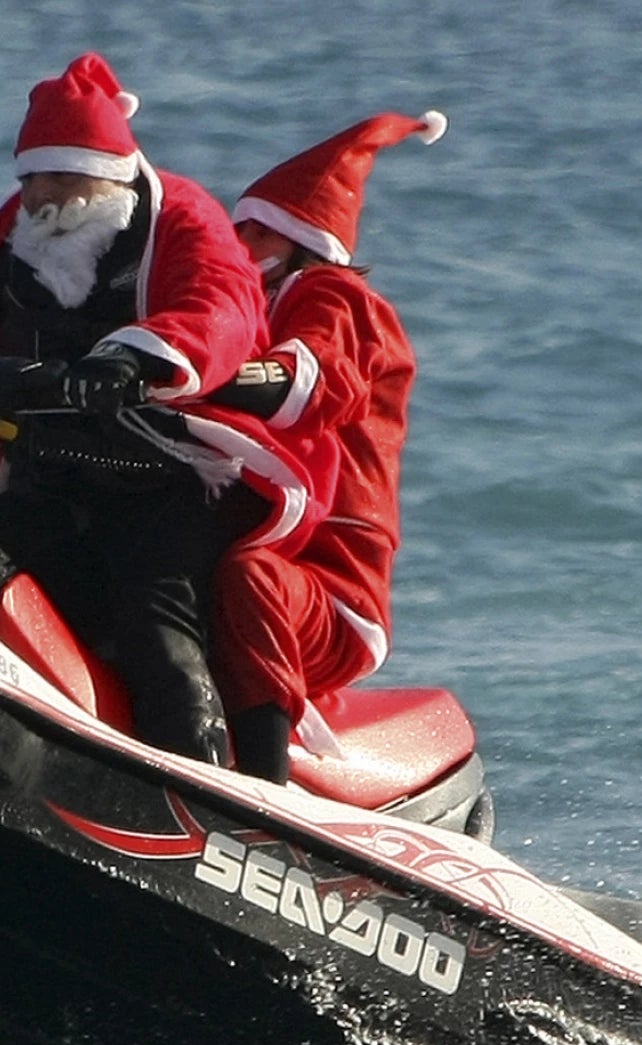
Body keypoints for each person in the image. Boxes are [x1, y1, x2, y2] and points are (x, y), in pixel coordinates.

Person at [0, 54, 325, 765]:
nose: (43, 196)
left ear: (111, 174)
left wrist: (133, 358)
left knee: (156, 623)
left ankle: (206, 793)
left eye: (62, 176)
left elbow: (221, 308)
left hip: (172, 483)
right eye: (31, 176)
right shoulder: (0, 237)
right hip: (52, 477)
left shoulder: (183, 218)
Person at [210, 111, 448, 782]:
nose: (240, 242)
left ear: (299, 243)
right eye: (240, 228)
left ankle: (263, 796)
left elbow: (312, 374)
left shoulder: (335, 298)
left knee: (246, 576)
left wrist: (209, 377)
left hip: (332, 590)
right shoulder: (241, 307)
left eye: (258, 232)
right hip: (266, 533)